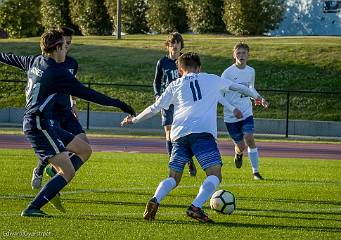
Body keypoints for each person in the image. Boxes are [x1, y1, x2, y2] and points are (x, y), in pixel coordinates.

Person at [0, 29, 136, 217]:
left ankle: (51, 179)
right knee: (68, 172)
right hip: (38, 125)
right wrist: (119, 104)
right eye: (64, 46)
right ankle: (33, 207)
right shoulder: (56, 72)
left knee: (85, 150)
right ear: (56, 48)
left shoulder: (34, 61)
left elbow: (7, 57)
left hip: (45, 123)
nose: (66, 50)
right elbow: (90, 95)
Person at [121, 52, 267, 223]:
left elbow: (155, 107)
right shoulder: (211, 79)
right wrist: (257, 97)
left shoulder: (175, 84)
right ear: (199, 68)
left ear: (180, 69)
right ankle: (195, 206)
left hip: (179, 136)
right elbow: (238, 87)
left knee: (173, 178)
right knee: (214, 174)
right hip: (202, 134)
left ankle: (155, 199)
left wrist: (135, 119)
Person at [31, 27, 88, 189]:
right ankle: (42, 170)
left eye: (70, 43)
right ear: (58, 43)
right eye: (65, 43)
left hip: (66, 110)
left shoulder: (72, 63)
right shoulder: (46, 63)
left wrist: (74, 103)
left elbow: (73, 85)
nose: (67, 46)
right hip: (50, 112)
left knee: (84, 146)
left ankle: (57, 175)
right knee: (54, 146)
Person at [221, 42, 269, 180]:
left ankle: (255, 172)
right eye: (238, 53)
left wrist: (260, 98)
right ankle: (238, 153)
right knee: (241, 145)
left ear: (248, 55)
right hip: (231, 115)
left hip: (246, 111)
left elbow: (251, 88)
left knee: (249, 137)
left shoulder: (251, 71)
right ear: (234, 55)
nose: (241, 55)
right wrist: (231, 108)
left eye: (244, 53)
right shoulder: (227, 73)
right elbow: (220, 93)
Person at [153, 32, 197, 177]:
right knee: (169, 132)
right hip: (167, 101)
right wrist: (157, 95)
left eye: (178, 42)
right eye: (172, 42)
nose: (175, 45)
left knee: (184, 133)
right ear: (168, 45)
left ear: (181, 45)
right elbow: (157, 81)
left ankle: (189, 160)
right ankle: (173, 163)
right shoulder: (162, 62)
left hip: (182, 100)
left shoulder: (185, 60)